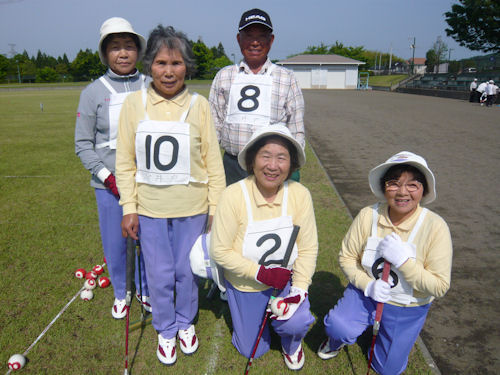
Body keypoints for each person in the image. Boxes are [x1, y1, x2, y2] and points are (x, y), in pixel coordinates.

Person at [115, 25, 225, 366]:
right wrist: (128, 208)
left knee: (187, 271)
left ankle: (185, 322)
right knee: (160, 273)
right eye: (161, 62)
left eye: (176, 63)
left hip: (192, 208)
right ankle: (165, 329)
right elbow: (125, 162)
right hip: (150, 210)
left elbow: (213, 160)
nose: (168, 71)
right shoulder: (133, 104)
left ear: (186, 67)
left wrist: (215, 208)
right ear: (150, 65)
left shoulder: (200, 105)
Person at [316, 151, 453, 375]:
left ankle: (382, 338)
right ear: (384, 187)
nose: (402, 192)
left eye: (412, 185)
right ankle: (336, 341)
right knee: (338, 327)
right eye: (394, 184)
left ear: (424, 190)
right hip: (365, 293)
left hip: (406, 306)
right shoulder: (367, 215)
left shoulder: (436, 227)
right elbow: (347, 257)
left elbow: (439, 286)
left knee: (387, 370)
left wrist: (404, 262)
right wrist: (367, 285)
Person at [210, 125, 318, 371]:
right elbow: (219, 250)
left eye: (281, 158)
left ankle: (291, 343)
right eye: (265, 156)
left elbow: (308, 248)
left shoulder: (300, 194)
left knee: (296, 323)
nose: (272, 165)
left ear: (291, 164)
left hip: (285, 281)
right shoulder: (232, 195)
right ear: (251, 160)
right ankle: (259, 318)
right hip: (246, 284)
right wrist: (262, 273)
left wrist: (298, 290)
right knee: (252, 350)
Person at [74, 17, 151, 319]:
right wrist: (108, 179)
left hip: (147, 181)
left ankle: (145, 288)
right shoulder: (93, 92)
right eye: (115, 47)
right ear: (105, 53)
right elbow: (83, 144)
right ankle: (122, 291)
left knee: (148, 241)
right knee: (116, 242)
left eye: (129, 47)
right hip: (109, 185)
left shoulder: (151, 85)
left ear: (138, 52)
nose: (123, 53)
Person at [209, 8, 305, 186]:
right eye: (248, 35)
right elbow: (214, 126)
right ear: (239, 39)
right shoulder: (224, 76)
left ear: (271, 40)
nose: (255, 42)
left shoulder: (287, 78)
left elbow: (296, 129)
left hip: (273, 168)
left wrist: (292, 166)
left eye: (261, 36)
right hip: (232, 166)